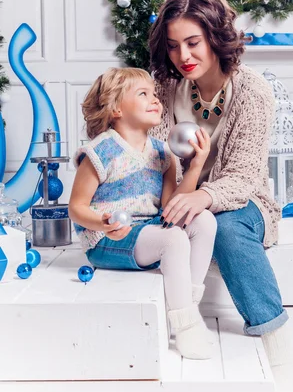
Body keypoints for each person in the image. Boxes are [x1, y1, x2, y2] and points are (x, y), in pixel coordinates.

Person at [149, 0, 293, 392]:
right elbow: (155, 160)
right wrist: (179, 195)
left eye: (193, 42)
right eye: (174, 45)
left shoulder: (251, 90)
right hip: (173, 200)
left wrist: (203, 194)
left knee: (229, 226)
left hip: (243, 203)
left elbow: (244, 176)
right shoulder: (163, 87)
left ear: (215, 36)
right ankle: (183, 329)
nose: (183, 55)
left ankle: (279, 356)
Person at [68, 67, 217, 360]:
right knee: (173, 240)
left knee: (204, 219)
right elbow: (75, 208)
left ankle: (187, 305)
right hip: (107, 239)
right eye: (143, 94)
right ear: (116, 108)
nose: (156, 100)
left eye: (155, 94)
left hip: (147, 229)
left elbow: (171, 206)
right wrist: (104, 223)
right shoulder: (102, 151)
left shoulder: (163, 152)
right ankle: (186, 326)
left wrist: (196, 166)